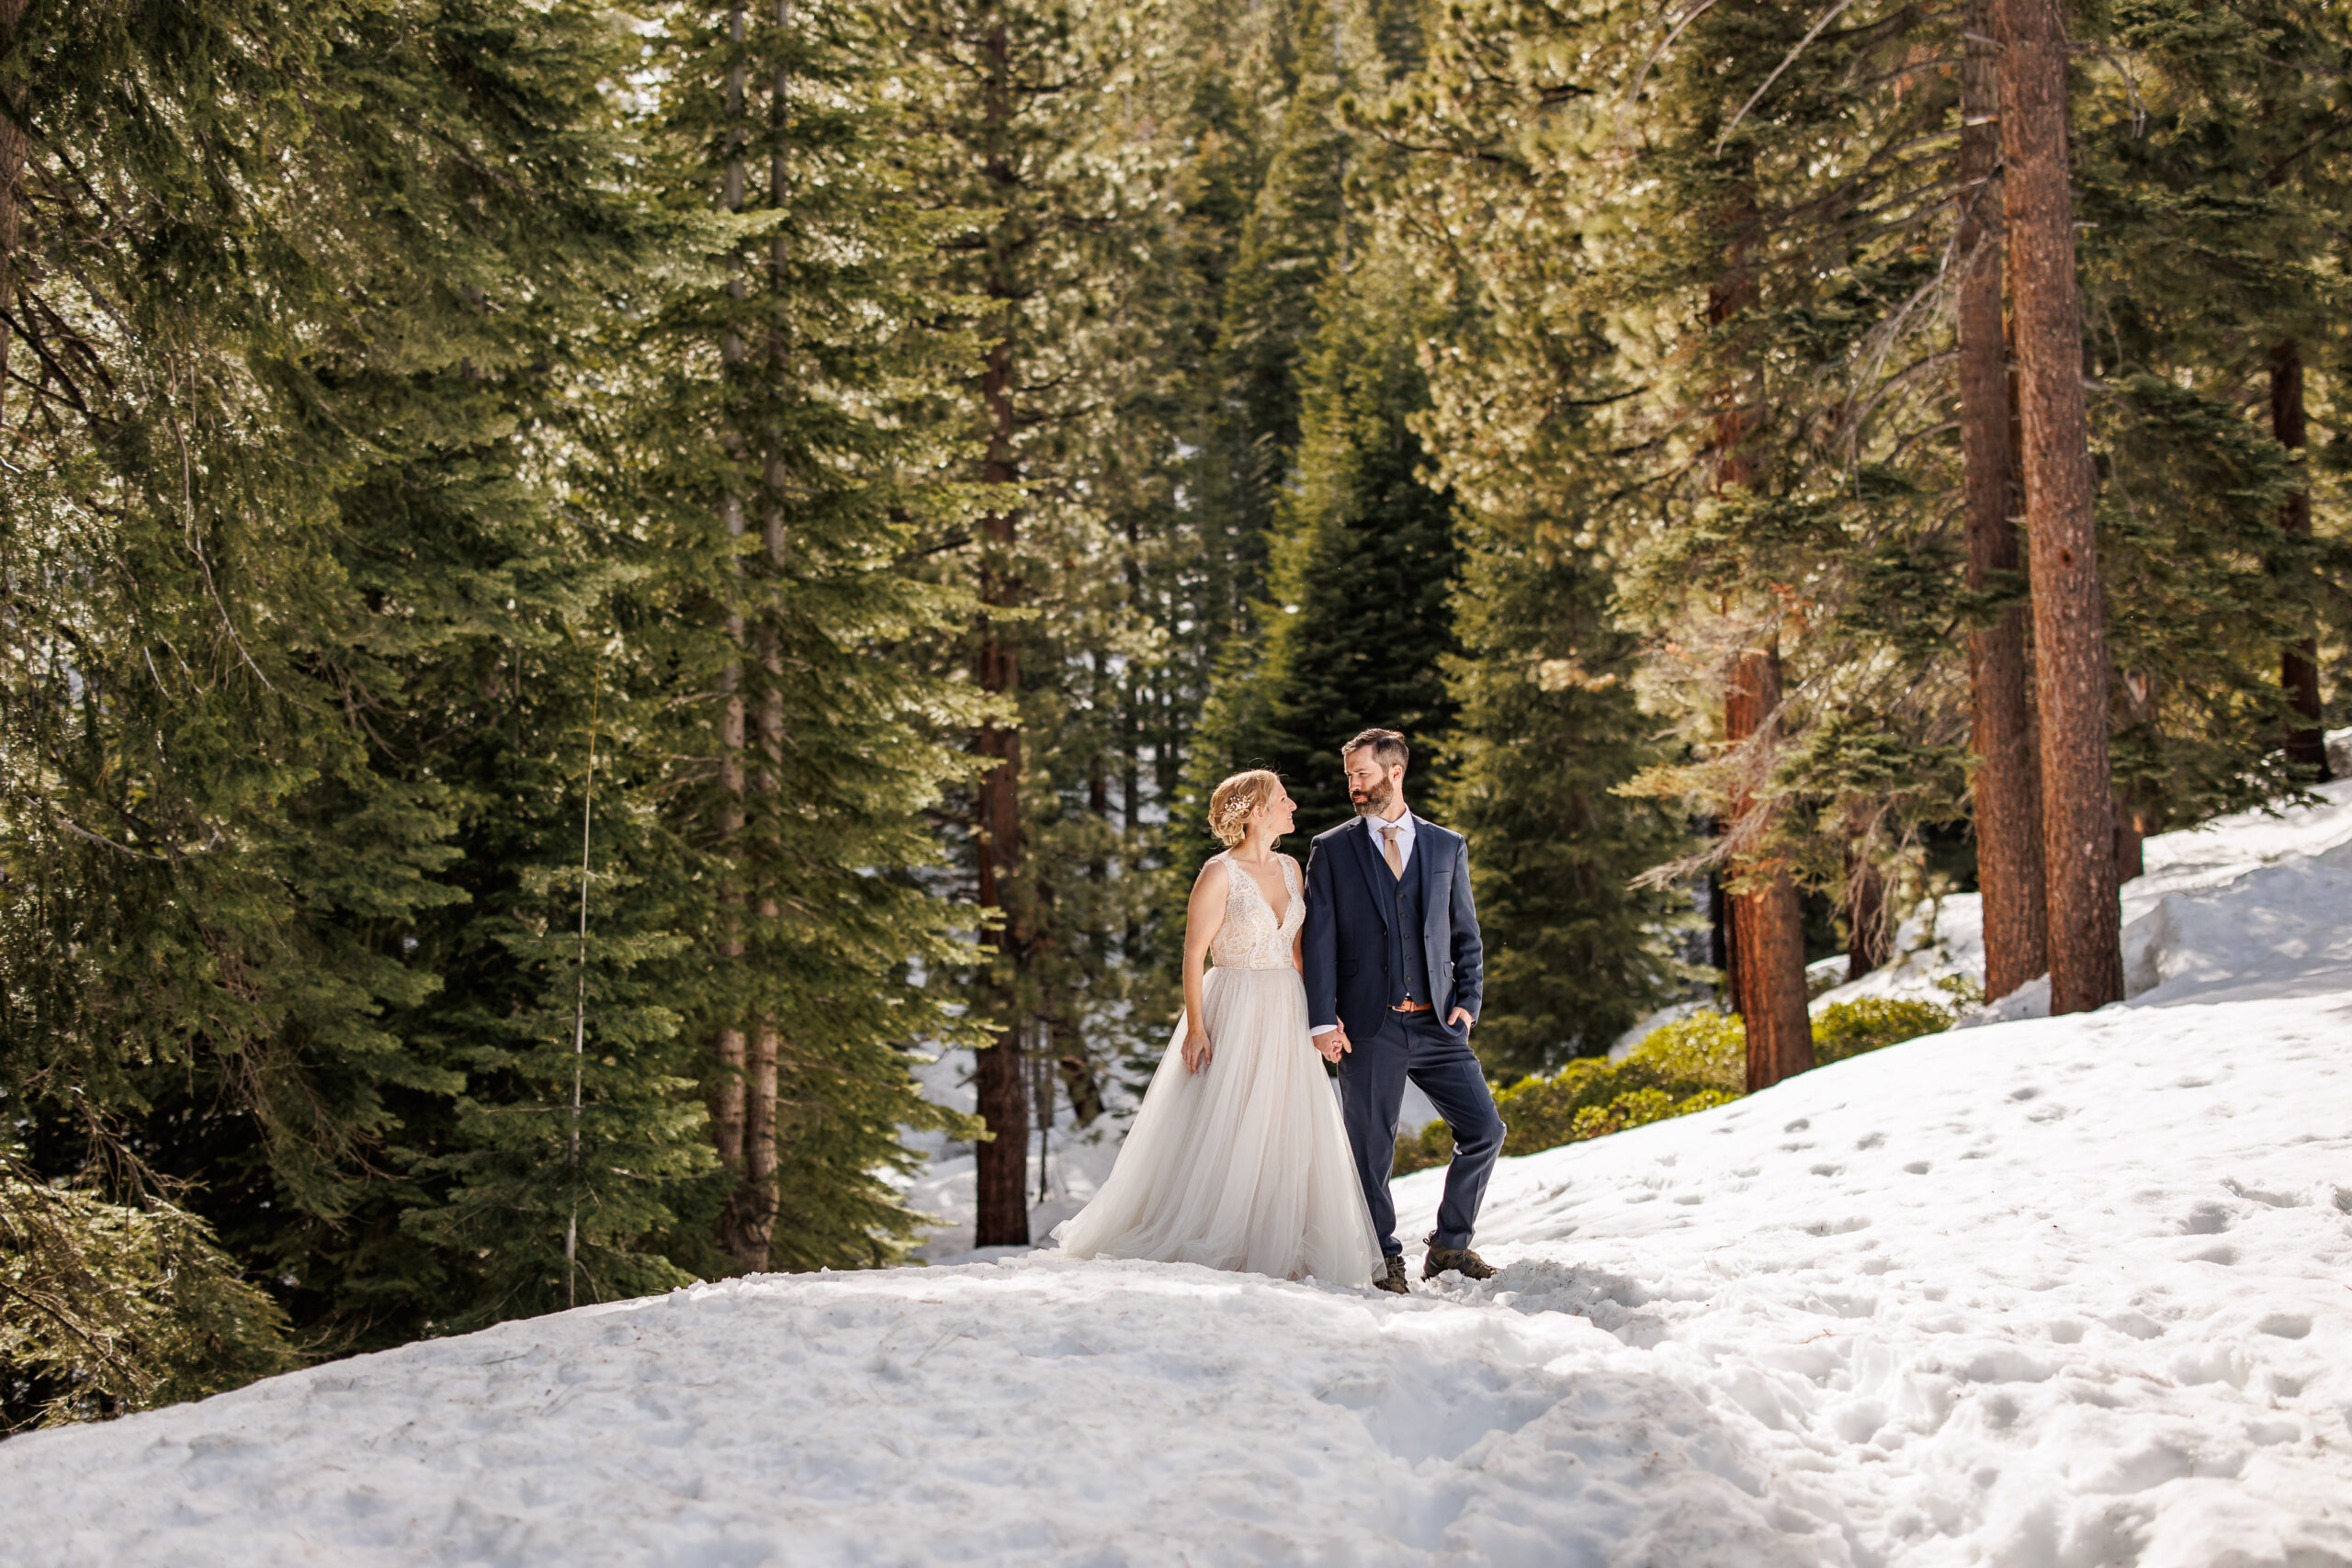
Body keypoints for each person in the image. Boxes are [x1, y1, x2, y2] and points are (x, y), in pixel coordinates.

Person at [1054, 770, 1381, 1284]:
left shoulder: (1293, 868)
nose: (1292, 804)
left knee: (1281, 1120)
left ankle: (1280, 1243)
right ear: (1255, 810)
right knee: (1227, 1119)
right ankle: (1214, 1234)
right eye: (1282, 798)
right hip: (1234, 1001)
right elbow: (1193, 954)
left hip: (1287, 1005)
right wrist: (1196, 1028)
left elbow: (1299, 950)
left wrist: (1325, 1011)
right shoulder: (1218, 873)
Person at [1302, 728, 1505, 1294]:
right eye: (1349, 776)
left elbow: (1465, 933)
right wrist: (1322, 1019)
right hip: (1369, 1025)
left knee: (1485, 1129)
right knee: (1370, 1150)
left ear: (1395, 772)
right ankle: (1382, 1257)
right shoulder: (1333, 848)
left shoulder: (1446, 845)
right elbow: (1319, 942)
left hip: (1438, 1022)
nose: (1354, 786)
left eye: (1362, 774)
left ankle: (1449, 1247)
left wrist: (1467, 1002)